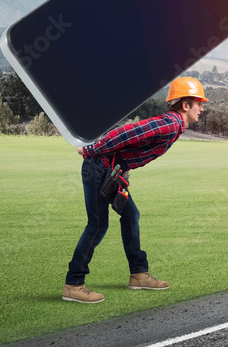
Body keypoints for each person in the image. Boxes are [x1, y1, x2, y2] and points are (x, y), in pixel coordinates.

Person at [62, 77, 207, 304]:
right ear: (186, 105)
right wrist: (91, 150)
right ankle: (73, 284)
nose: (202, 108)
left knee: (131, 215)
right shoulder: (170, 123)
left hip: (111, 170)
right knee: (97, 225)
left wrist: (124, 170)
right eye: (199, 103)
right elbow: (127, 133)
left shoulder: (175, 126)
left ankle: (138, 274)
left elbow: (134, 147)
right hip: (99, 166)